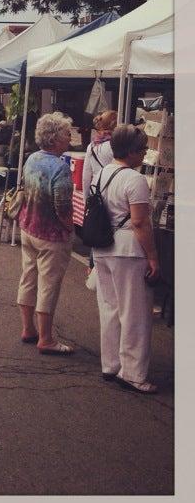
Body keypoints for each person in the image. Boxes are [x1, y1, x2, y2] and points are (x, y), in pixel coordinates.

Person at [92, 125, 160, 394]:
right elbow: (140, 222)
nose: (144, 154)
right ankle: (132, 373)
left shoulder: (101, 174)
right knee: (135, 313)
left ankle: (110, 364)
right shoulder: (135, 179)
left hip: (103, 246)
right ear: (131, 152)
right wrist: (153, 256)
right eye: (142, 149)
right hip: (129, 249)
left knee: (109, 307)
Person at [16, 112, 75, 355]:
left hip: (28, 227)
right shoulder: (60, 167)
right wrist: (71, 227)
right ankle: (47, 339)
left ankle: (28, 329)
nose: (70, 137)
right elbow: (62, 207)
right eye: (67, 133)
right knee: (48, 285)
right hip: (51, 235)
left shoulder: (32, 159)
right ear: (56, 138)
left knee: (28, 278)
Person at [82, 110, 118, 197]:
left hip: (96, 190)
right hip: (114, 191)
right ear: (115, 125)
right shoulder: (117, 146)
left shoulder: (92, 145)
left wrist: (86, 199)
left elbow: (86, 177)